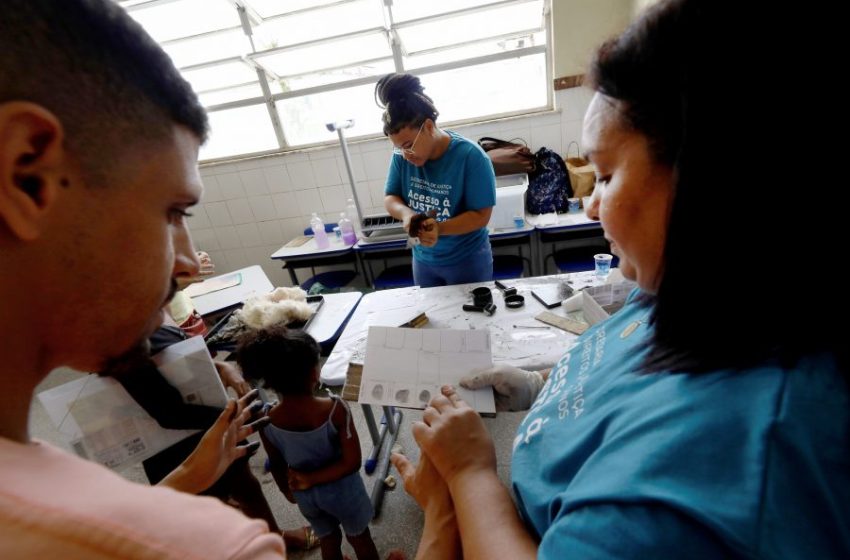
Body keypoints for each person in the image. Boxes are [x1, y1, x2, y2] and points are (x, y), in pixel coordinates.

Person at [390, 1, 848, 558]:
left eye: (604, 174)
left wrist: (468, 476)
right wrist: (539, 389)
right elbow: (622, 367)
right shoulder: (681, 291)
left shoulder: (706, 468)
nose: (590, 206)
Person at [0, 1, 285, 557]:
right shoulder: (215, 546)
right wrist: (461, 491)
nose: (184, 262)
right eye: (174, 212)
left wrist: (178, 487)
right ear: (29, 174)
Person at [237, 327, 380, 560]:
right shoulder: (336, 409)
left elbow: (276, 462)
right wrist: (312, 478)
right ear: (315, 374)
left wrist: (287, 491)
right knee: (359, 537)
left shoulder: (267, 418)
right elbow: (352, 462)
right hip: (344, 494)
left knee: (328, 538)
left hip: (306, 496)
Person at [376, 73, 496, 287]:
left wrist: (440, 228)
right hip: (424, 262)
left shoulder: (471, 157)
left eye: (408, 145)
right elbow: (390, 197)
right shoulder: (401, 157)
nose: (405, 154)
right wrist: (407, 214)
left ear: (429, 127)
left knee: (472, 319)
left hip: (467, 260)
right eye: (398, 148)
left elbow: (481, 216)